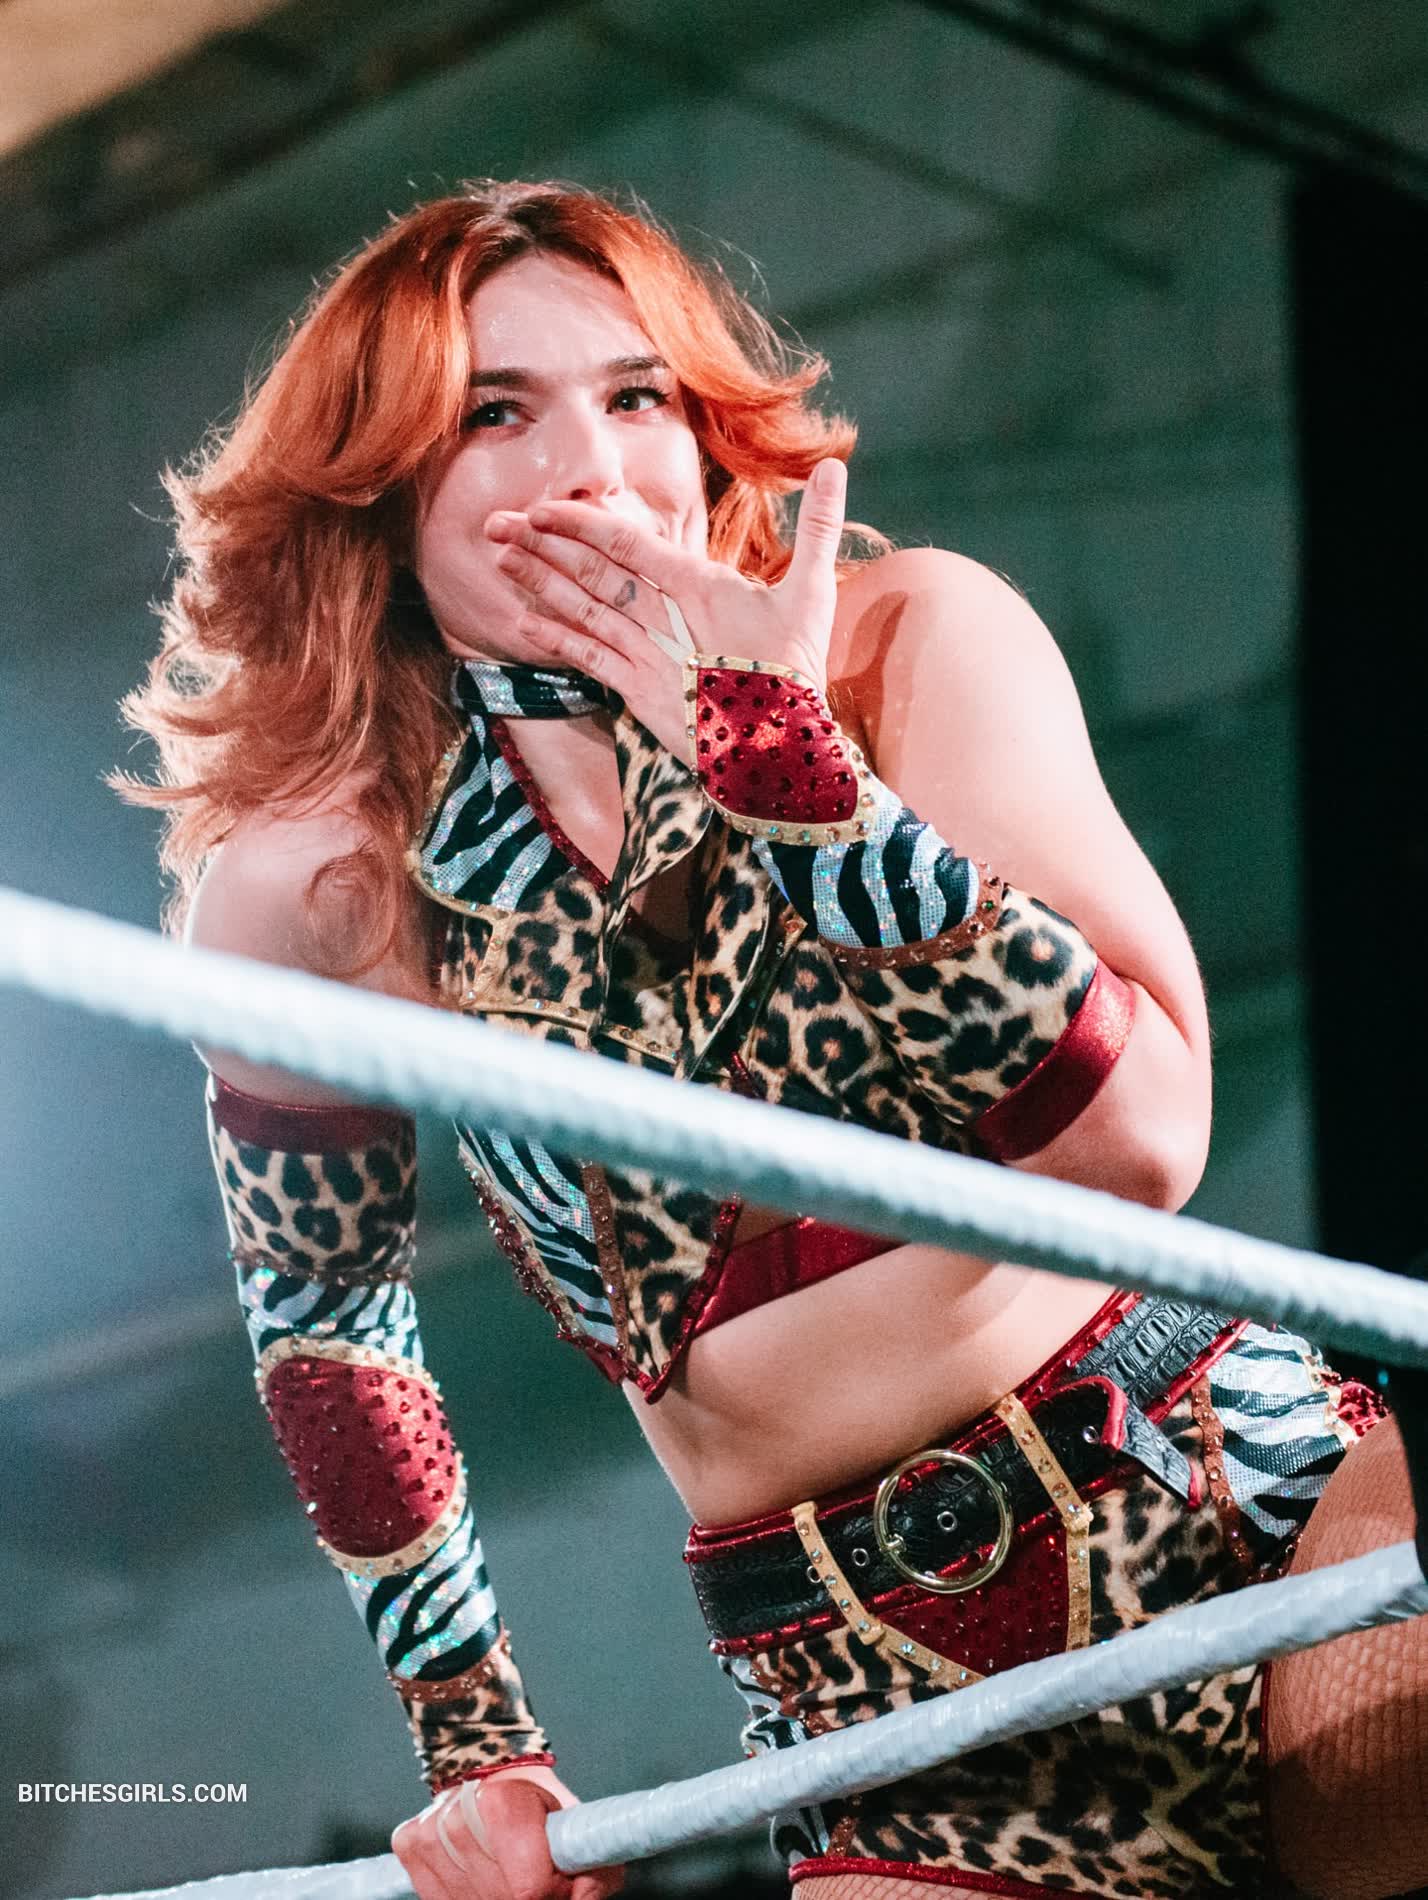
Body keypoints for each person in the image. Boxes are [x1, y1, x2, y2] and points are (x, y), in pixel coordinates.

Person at [115, 180, 1405, 1900]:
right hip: (882, 1698)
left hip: (1241, 1498)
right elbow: (329, 1331)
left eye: (635, 396)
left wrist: (797, 780)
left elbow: (1142, 1140)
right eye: (495, 414)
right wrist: (475, 1743)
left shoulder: (904, 642)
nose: (591, 467)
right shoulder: (321, 888)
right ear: (377, 485)